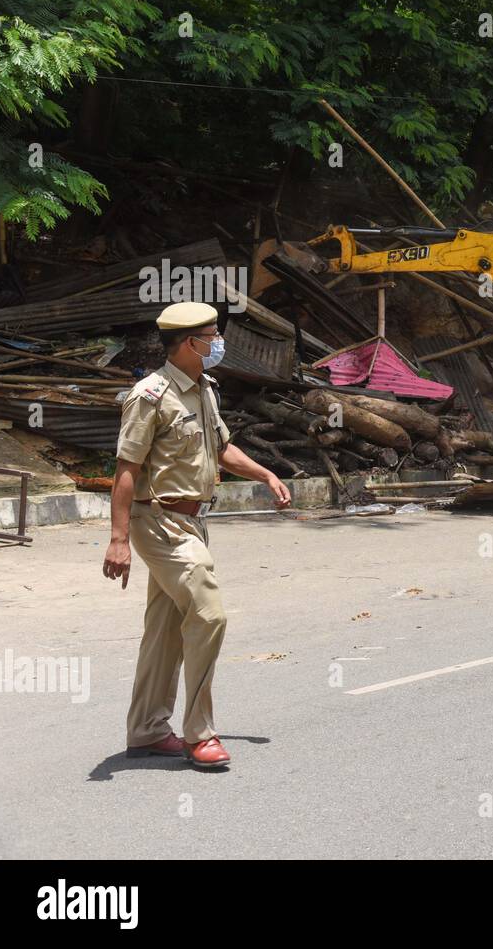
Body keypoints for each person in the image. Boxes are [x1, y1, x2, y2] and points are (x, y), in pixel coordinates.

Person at [103, 302, 292, 769]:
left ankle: (146, 729)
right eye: (213, 336)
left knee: (165, 629)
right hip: (160, 521)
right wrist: (119, 539)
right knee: (209, 614)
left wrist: (266, 474)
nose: (218, 344)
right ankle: (199, 733)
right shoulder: (149, 396)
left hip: (192, 522)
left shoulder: (203, 389)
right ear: (191, 343)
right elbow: (126, 469)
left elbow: (221, 447)